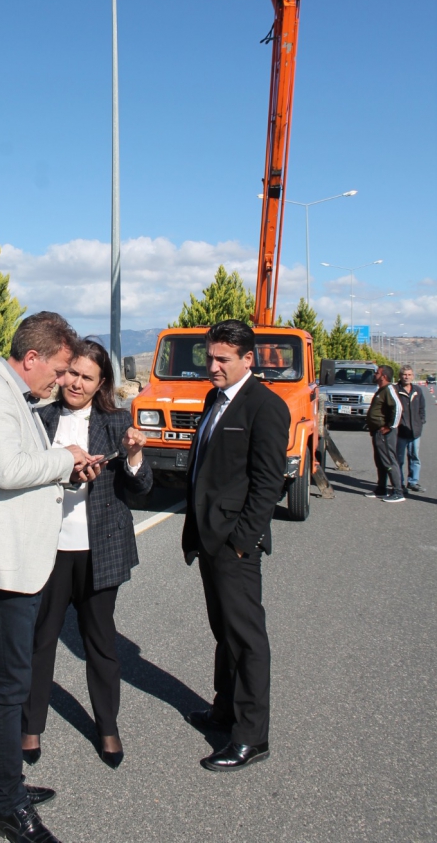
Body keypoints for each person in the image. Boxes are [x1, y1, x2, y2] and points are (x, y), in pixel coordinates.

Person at [0, 312, 103, 843]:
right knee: (7, 686)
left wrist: (68, 465)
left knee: (0, 680)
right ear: (33, 357)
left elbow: (25, 465)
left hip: (19, 560)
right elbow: (9, 471)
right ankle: (9, 805)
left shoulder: (15, 396)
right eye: (61, 368)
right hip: (3, 565)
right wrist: (63, 458)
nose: (63, 381)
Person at [22, 338, 152, 769]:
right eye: (71, 372)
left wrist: (133, 458)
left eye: (87, 377)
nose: (75, 383)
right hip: (52, 550)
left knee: (100, 642)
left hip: (101, 550)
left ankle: (108, 726)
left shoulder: (117, 423)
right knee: (42, 641)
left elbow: (140, 488)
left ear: (101, 384)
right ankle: (31, 725)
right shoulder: (39, 420)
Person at [182, 319, 290, 771]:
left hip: (235, 544)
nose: (213, 366)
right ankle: (224, 709)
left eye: (222, 359)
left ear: (249, 359)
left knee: (246, 639)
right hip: (209, 538)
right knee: (223, 633)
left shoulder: (265, 407)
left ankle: (251, 736)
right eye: (209, 357)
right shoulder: (214, 398)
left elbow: (268, 484)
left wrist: (243, 542)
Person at [364, 364, 404, 503]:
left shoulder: (389, 389)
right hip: (377, 432)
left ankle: (398, 492)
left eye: (377, 373)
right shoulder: (380, 390)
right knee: (380, 461)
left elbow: (398, 407)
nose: (375, 375)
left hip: (385, 433)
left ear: (384, 376)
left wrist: (390, 426)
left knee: (388, 461)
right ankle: (381, 489)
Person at [396, 365, 426, 492]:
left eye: (409, 374)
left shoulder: (417, 390)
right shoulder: (395, 390)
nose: (406, 377)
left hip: (415, 431)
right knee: (399, 459)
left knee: (414, 457)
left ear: (412, 376)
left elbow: (421, 408)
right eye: (404, 374)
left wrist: (421, 421)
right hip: (401, 431)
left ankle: (413, 482)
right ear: (400, 376)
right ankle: (400, 484)